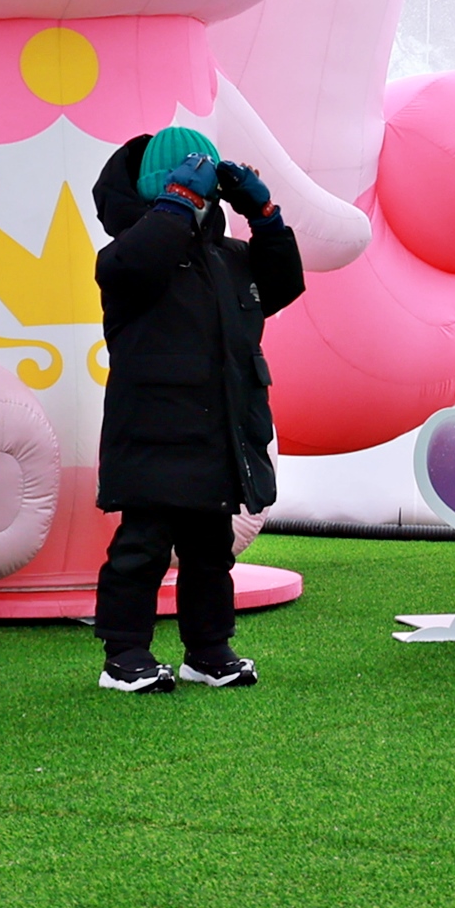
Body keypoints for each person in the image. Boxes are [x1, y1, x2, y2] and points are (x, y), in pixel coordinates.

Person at [89, 125, 301, 694]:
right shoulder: (128, 255)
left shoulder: (230, 259)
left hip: (220, 431)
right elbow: (138, 263)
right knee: (141, 549)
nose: (201, 202)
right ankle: (124, 656)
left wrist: (265, 216)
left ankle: (208, 652)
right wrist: (177, 203)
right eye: (188, 189)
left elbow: (284, 283)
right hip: (153, 431)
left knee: (211, 550)